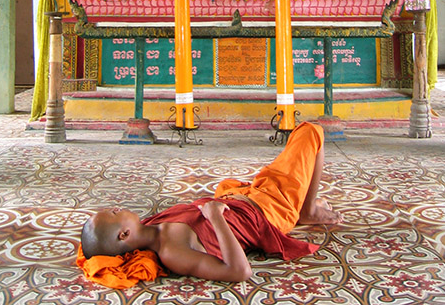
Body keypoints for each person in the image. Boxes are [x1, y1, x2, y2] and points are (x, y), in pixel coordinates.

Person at [78, 122, 342, 286]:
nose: (116, 206)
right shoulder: (172, 252)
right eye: (114, 212)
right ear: (124, 234)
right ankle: (305, 211)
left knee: (229, 183)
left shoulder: (150, 226)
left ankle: (301, 202)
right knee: (311, 132)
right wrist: (215, 216)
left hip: (242, 197)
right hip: (267, 211)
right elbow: (239, 271)